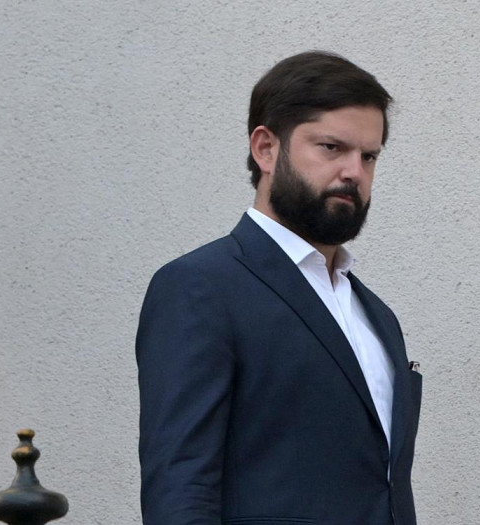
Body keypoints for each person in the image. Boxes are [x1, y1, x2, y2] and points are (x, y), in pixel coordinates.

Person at [136, 51, 420, 525]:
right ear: (266, 149)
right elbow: (180, 489)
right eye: (331, 147)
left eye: (368, 156)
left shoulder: (377, 316)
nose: (354, 172)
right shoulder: (200, 287)